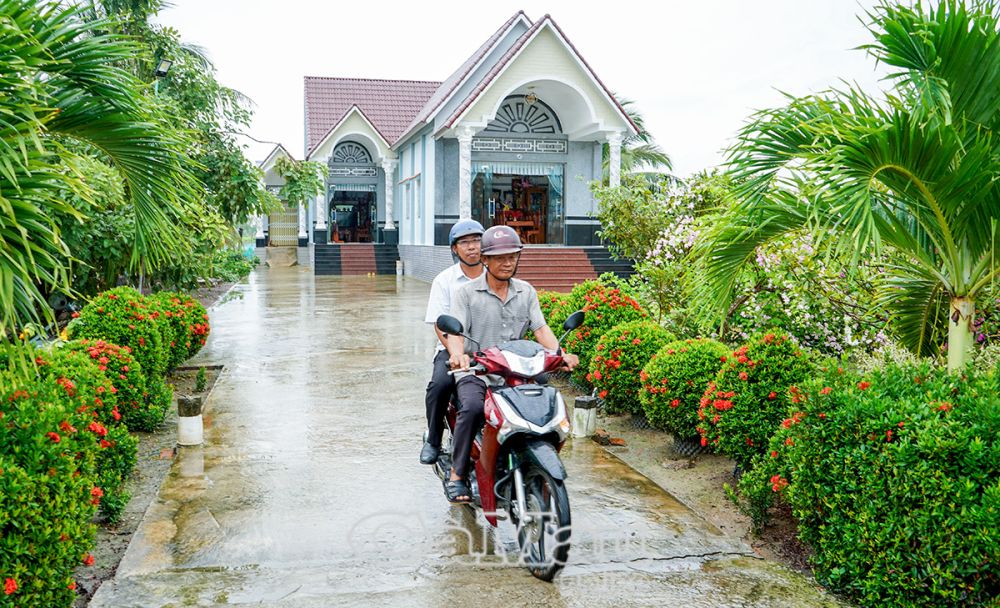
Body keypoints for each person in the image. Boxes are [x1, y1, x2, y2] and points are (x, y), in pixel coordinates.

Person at [443, 225, 578, 503]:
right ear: (485, 260)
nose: (507, 263)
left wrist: (559, 354)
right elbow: (454, 333)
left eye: (513, 257)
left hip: (516, 370)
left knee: (547, 403)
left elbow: (540, 330)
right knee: (471, 407)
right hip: (478, 371)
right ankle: (457, 474)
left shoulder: (526, 291)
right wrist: (458, 356)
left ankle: (534, 460)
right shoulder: (466, 294)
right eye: (500, 257)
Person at [419, 219, 486, 464]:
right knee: (439, 386)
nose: (472, 247)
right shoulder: (444, 281)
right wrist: (456, 352)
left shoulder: (495, 275)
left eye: (477, 241)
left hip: (491, 349)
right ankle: (434, 438)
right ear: (455, 249)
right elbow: (440, 324)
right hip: (452, 348)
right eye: (465, 242)